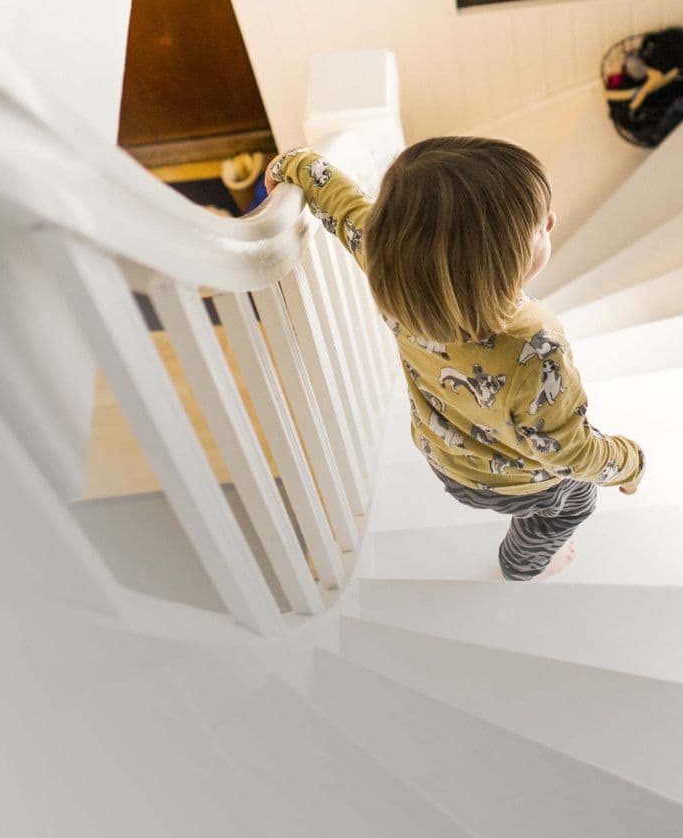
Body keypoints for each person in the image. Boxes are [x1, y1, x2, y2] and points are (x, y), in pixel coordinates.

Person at [267, 138, 644, 581]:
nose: (553, 222)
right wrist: (631, 460)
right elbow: (568, 453)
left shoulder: (394, 263)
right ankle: (524, 563)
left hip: (444, 458)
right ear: (495, 264)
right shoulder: (536, 346)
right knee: (573, 504)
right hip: (520, 485)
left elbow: (344, 207)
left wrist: (296, 165)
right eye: (540, 226)